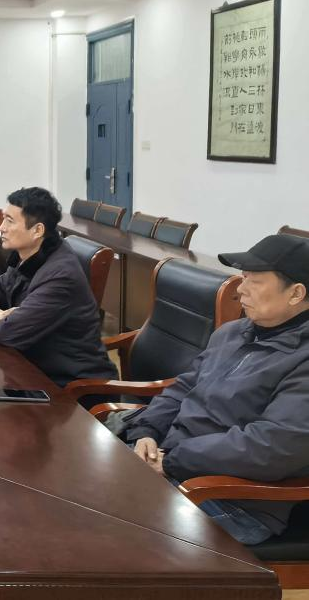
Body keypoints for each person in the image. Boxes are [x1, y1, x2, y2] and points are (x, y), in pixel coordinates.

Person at [115, 234, 309, 546]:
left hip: (231, 500)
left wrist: (173, 460)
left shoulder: (302, 359)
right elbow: (183, 388)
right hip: (174, 464)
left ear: (296, 293)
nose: (240, 289)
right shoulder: (233, 333)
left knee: (105, 527)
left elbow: (270, 448)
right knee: (76, 483)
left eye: (254, 281)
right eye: (242, 277)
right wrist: (146, 432)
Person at [0, 187, 115, 386]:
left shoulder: (61, 277)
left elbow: (6, 333)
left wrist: (3, 322)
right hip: (32, 368)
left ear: (37, 230)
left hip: (70, 385)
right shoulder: (25, 257)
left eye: (10, 221)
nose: (1, 227)